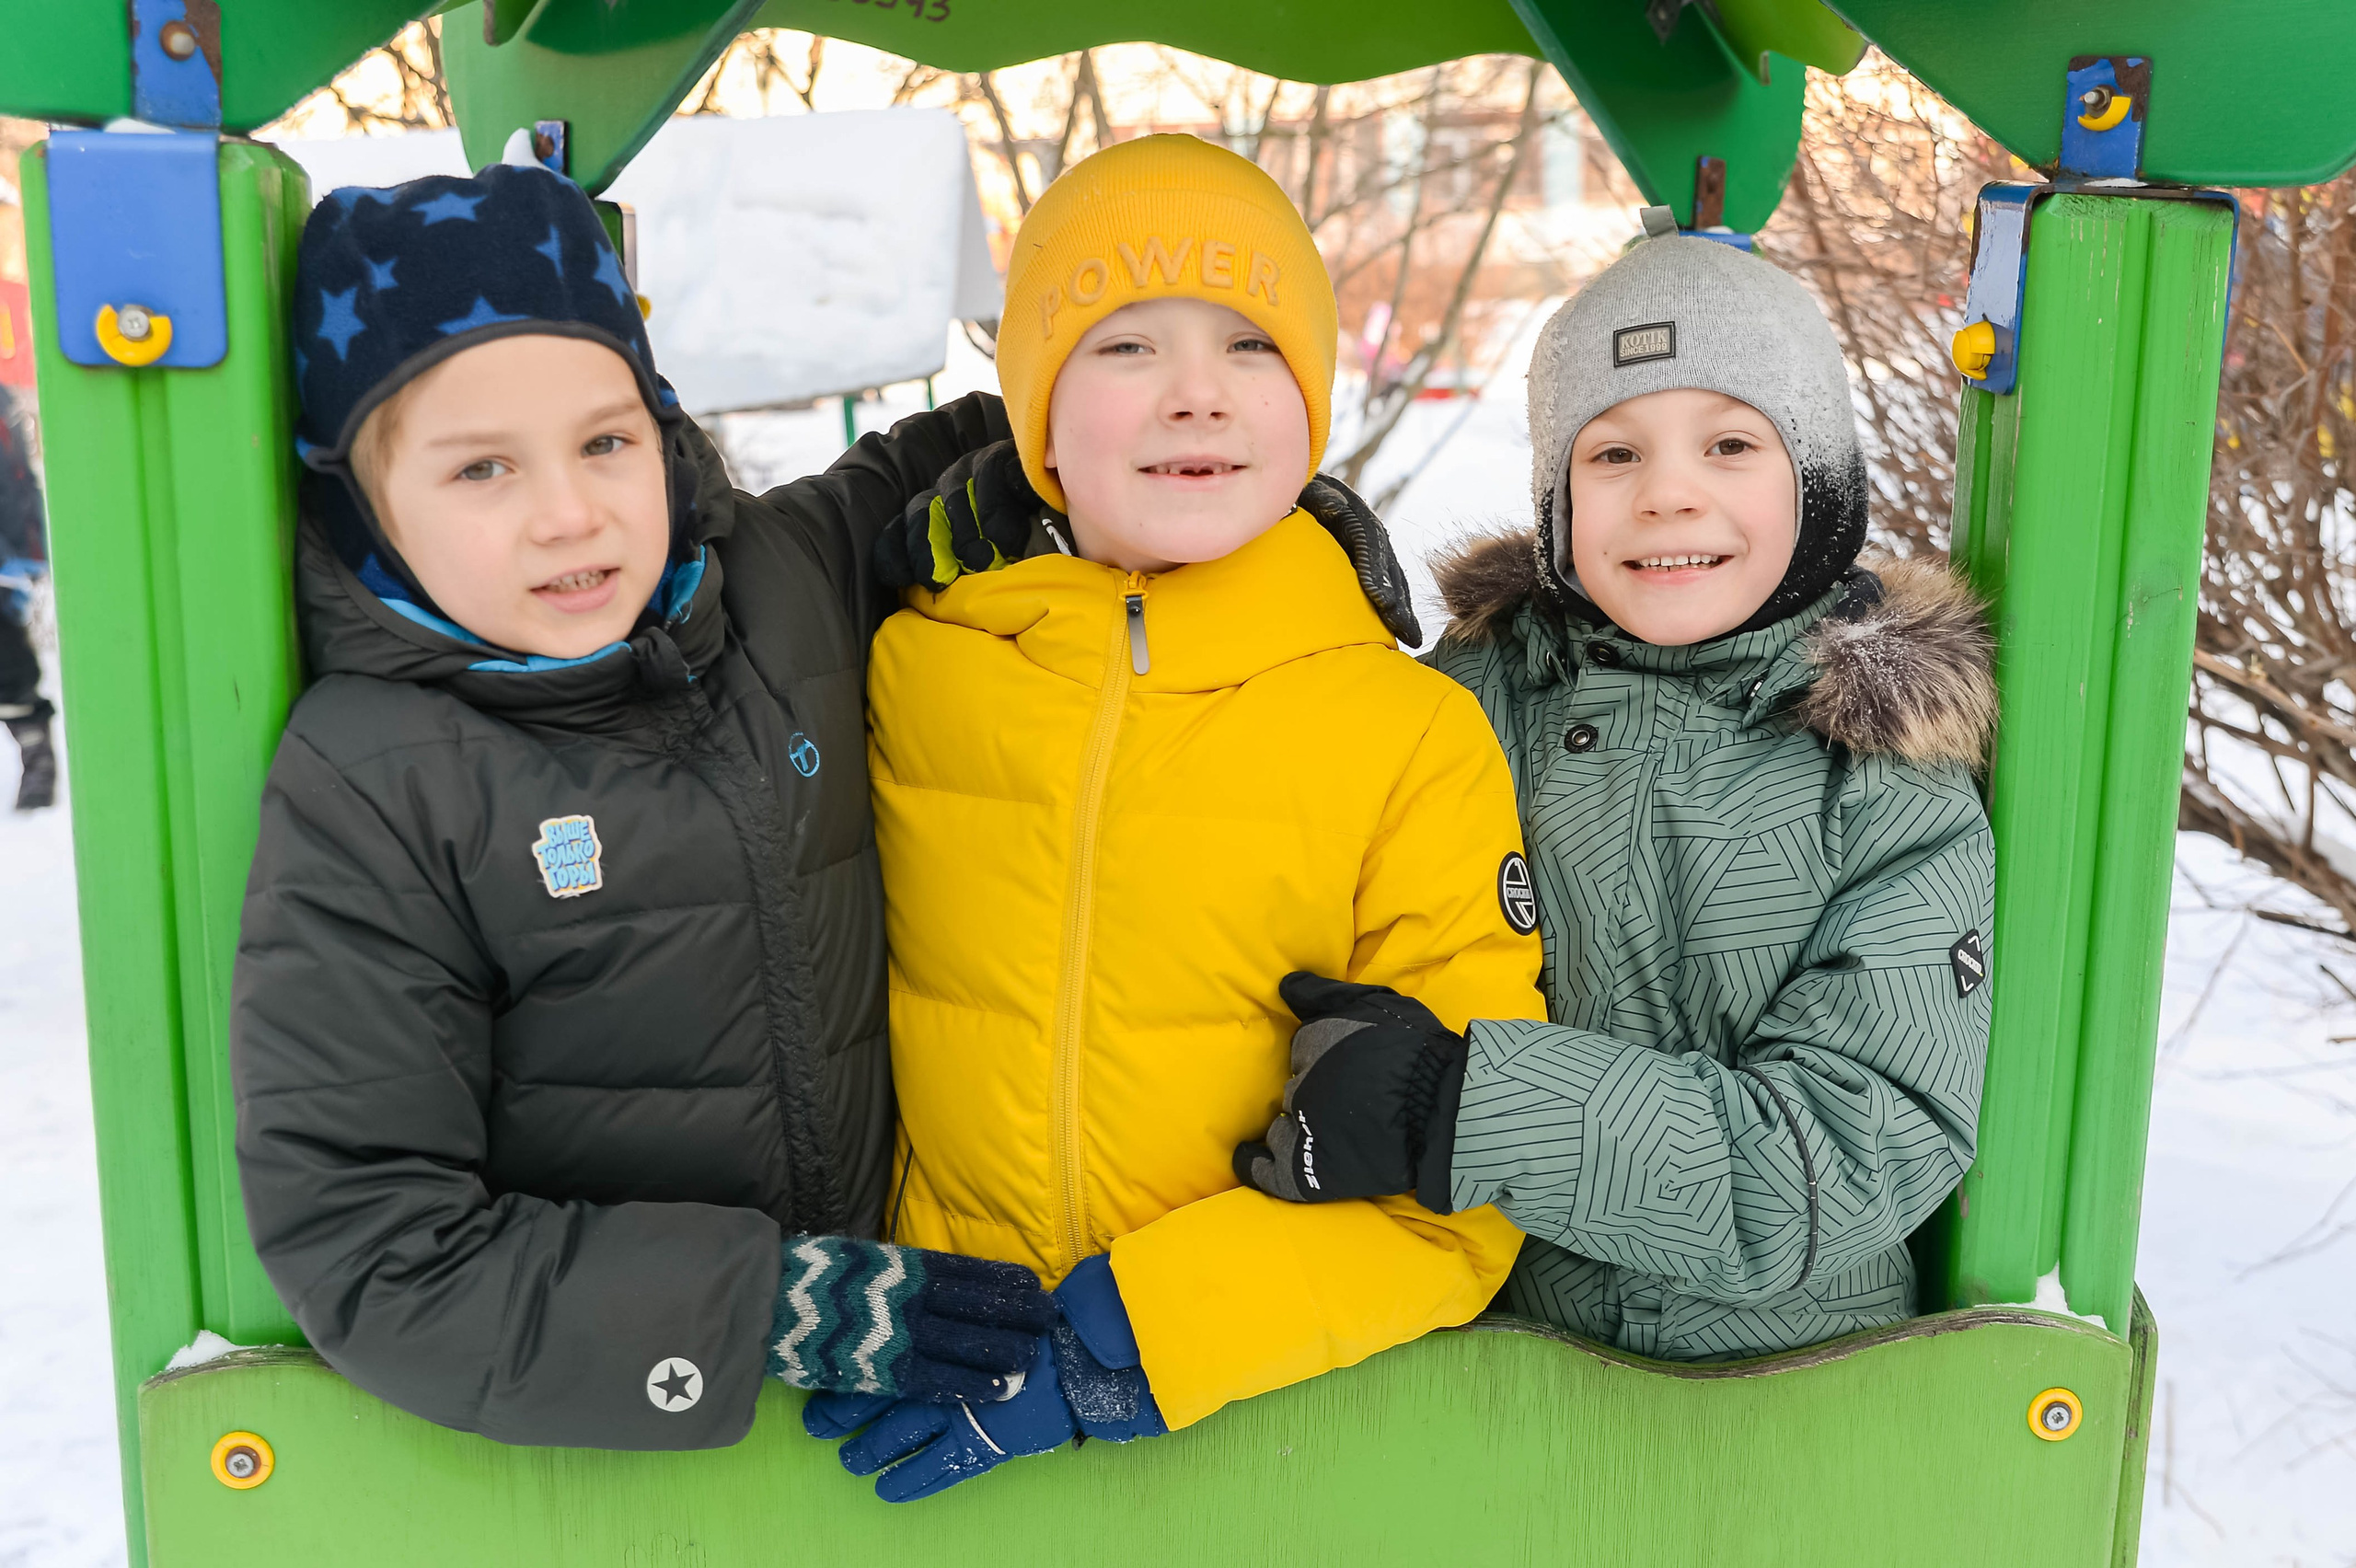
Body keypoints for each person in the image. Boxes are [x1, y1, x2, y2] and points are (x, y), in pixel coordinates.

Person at [230, 163, 1059, 1453]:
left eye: (605, 442)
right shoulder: (382, 785)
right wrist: (762, 1309)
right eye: (482, 470)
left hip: (912, 1370)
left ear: (663, 432)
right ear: (365, 504)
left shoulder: (778, 581)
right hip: (622, 1445)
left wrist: (1247, 525)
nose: (570, 514)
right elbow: (377, 1248)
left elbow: (1051, 440)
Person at [804, 133, 1542, 1502]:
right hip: (928, 1383)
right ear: (1035, 418)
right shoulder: (910, 667)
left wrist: (1131, 1342)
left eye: (1253, 348)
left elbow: (1469, 1178)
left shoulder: (1409, 732)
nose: (1196, 398)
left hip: (1286, 1437)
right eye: (1125, 347)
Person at [1234, 212, 1998, 1362]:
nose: (1667, 496)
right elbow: (1247, 801)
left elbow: (1847, 1156)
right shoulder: (1469, 706)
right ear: (1557, 503)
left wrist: (1458, 1106)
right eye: (1613, 453)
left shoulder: (1886, 783)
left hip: (1779, 1402)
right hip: (1473, 1374)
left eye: (1731, 446)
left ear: (1822, 486)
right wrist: (1263, 577)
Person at [0, 386, 52, 812]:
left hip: (13, 564)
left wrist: (35, 554)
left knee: (13, 675)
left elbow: (22, 484)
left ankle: (39, 768)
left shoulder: (7, 407)